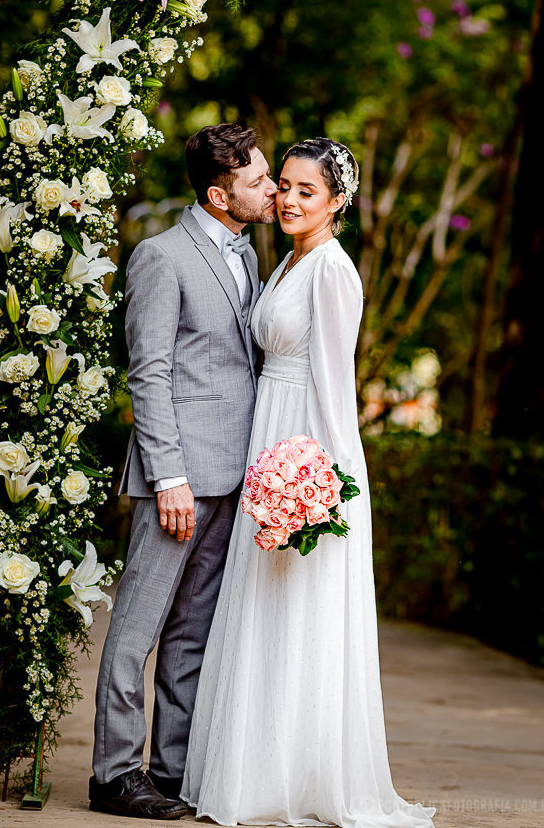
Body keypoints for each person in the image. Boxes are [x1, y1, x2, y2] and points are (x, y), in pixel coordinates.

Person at [182, 137, 437, 828]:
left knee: (296, 613)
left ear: (337, 203)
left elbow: (333, 387)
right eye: (284, 186)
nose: (289, 200)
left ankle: (293, 777)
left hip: (300, 452)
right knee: (260, 611)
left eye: (306, 192)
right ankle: (250, 770)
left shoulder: (331, 271)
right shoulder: (288, 261)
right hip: (269, 437)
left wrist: (319, 491)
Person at [90, 123, 277, 819]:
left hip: (233, 474)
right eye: (257, 181)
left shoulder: (248, 253)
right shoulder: (160, 257)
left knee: (192, 631)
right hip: (179, 479)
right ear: (217, 193)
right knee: (137, 628)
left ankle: (168, 771)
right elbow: (150, 372)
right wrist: (168, 477)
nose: (270, 190)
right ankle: (112, 774)